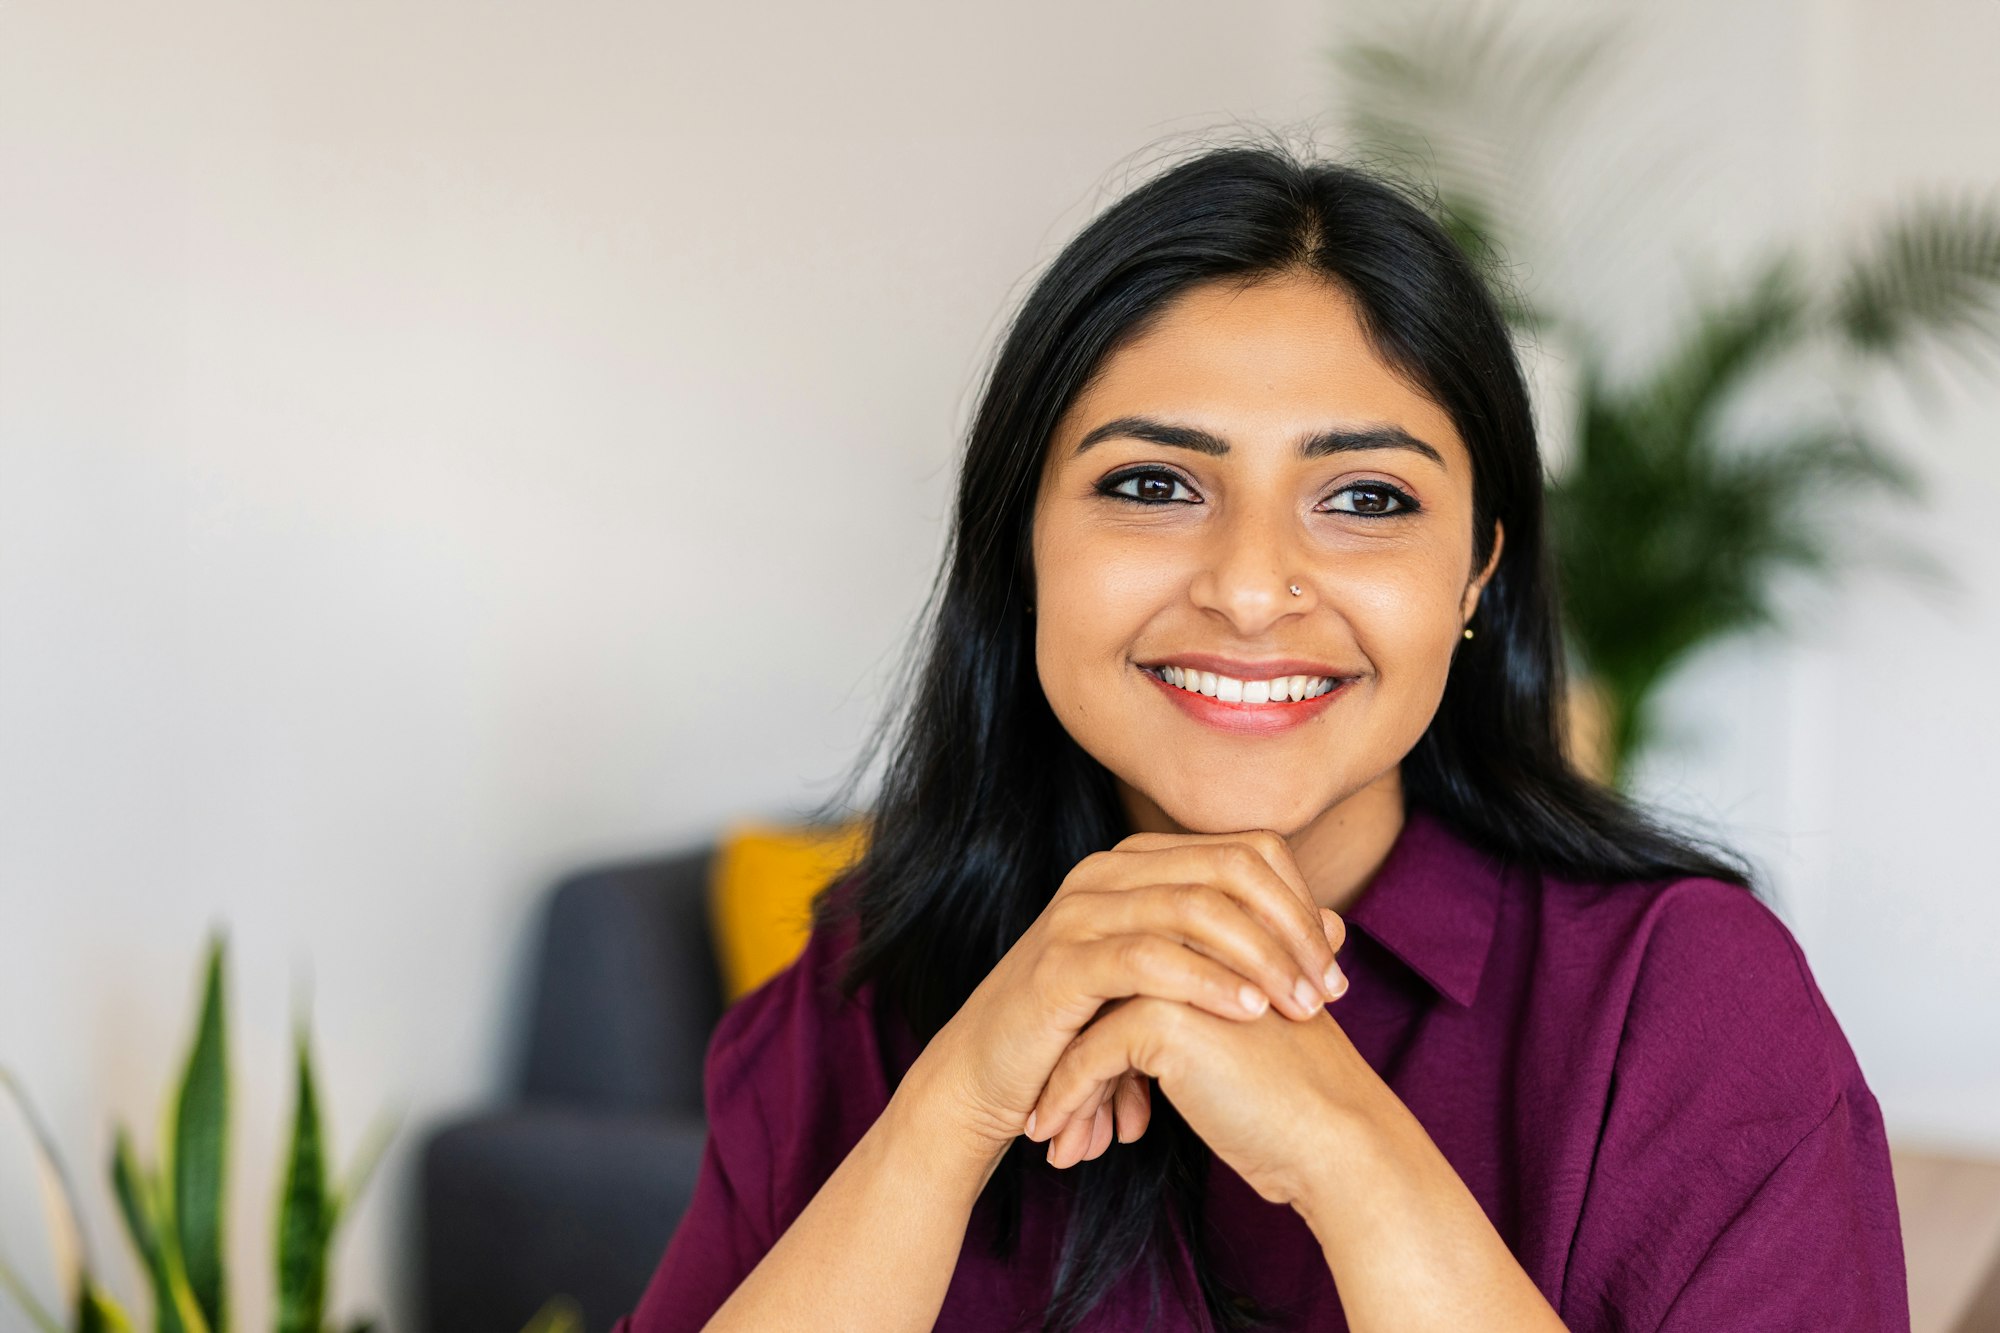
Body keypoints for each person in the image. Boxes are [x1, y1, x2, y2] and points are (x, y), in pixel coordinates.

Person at [613, 138, 1908, 1332]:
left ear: (1476, 578)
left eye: (1364, 496)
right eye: (1154, 483)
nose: (1248, 585)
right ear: (1024, 549)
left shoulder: (1684, 1007)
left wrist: (1358, 1159)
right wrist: (947, 1113)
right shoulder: (857, 993)